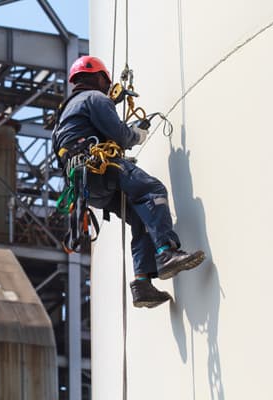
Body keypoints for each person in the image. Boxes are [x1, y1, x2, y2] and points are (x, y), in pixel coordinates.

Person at [52, 55, 205, 308]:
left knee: (140, 215)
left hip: (87, 187)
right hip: (99, 165)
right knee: (152, 190)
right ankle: (166, 253)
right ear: (100, 78)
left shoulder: (63, 116)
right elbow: (121, 137)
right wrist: (137, 133)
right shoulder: (96, 99)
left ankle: (142, 284)